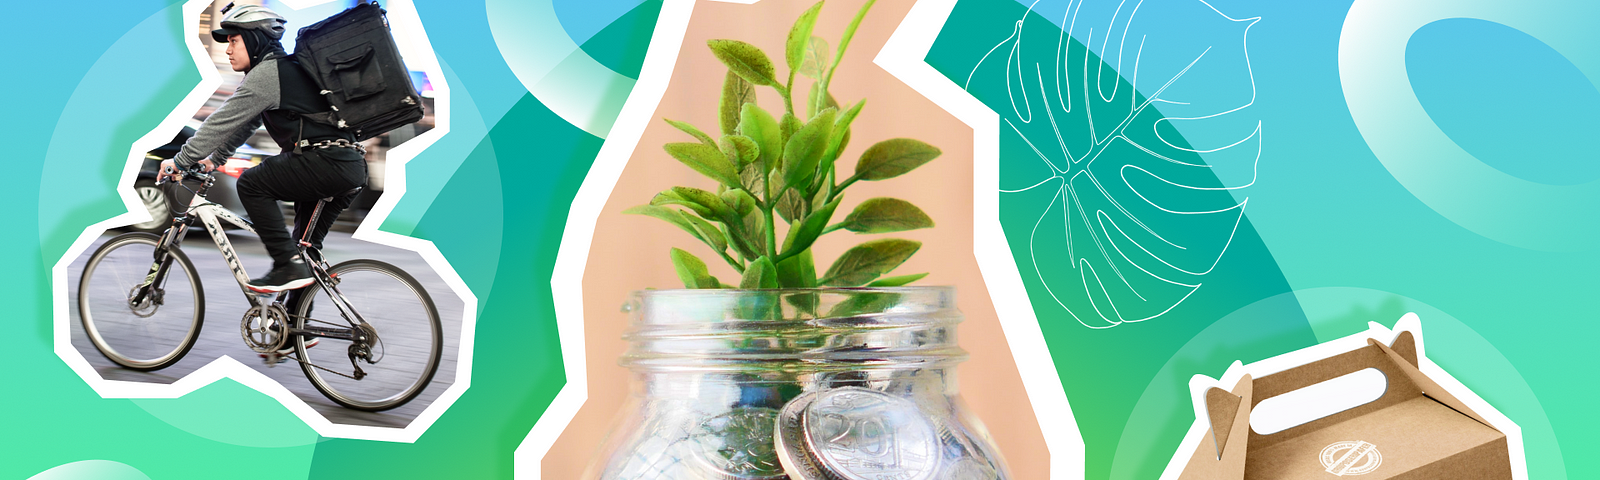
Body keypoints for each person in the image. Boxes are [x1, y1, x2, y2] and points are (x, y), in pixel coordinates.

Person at [161, 3, 367, 294]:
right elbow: (245, 125)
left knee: (252, 183)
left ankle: (286, 264)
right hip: (347, 166)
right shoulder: (283, 73)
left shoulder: (269, 74)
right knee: (305, 249)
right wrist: (215, 160)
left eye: (233, 40)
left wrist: (181, 161)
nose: (228, 49)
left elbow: (220, 122)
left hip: (324, 162)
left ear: (255, 39)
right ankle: (298, 333)